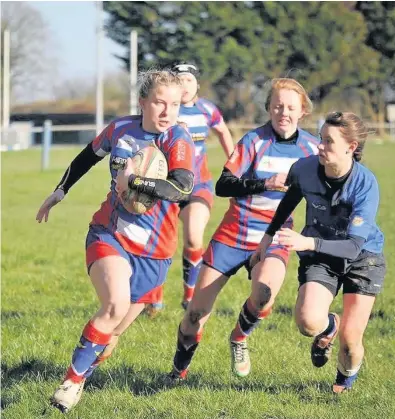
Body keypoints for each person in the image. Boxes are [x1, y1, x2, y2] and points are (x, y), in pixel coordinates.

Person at [36, 69, 195, 413]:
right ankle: (71, 384)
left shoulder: (178, 140)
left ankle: (84, 371)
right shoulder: (120, 129)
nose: (167, 112)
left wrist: (136, 181)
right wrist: (60, 190)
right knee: (113, 306)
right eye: (159, 102)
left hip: (155, 254)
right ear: (143, 102)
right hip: (110, 235)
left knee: (110, 338)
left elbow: (182, 187)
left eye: (175, 104)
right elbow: (86, 156)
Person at [168, 78, 320, 381]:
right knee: (195, 314)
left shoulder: (311, 148)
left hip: (275, 237)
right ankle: (177, 371)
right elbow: (224, 185)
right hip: (232, 236)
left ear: (303, 111)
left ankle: (239, 337)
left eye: (291, 107)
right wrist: (265, 182)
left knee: (264, 294)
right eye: (277, 106)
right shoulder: (253, 141)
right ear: (269, 108)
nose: (283, 112)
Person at [252, 111, 386, 393]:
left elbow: (352, 246)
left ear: (351, 147)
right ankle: (328, 328)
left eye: (328, 141)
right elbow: (289, 200)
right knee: (308, 322)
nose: (319, 146)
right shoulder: (304, 168)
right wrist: (267, 237)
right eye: (320, 138)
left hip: (363, 258)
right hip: (322, 257)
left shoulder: (366, 185)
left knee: (350, 342)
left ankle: (343, 383)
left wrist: (306, 242)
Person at [147, 62, 234, 314]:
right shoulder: (167, 111)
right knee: (163, 242)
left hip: (198, 186)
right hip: (166, 185)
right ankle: (154, 298)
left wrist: (235, 166)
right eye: (179, 80)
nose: (184, 85)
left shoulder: (207, 109)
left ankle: (189, 296)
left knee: (194, 237)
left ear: (197, 84)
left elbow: (224, 133)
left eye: (189, 80)